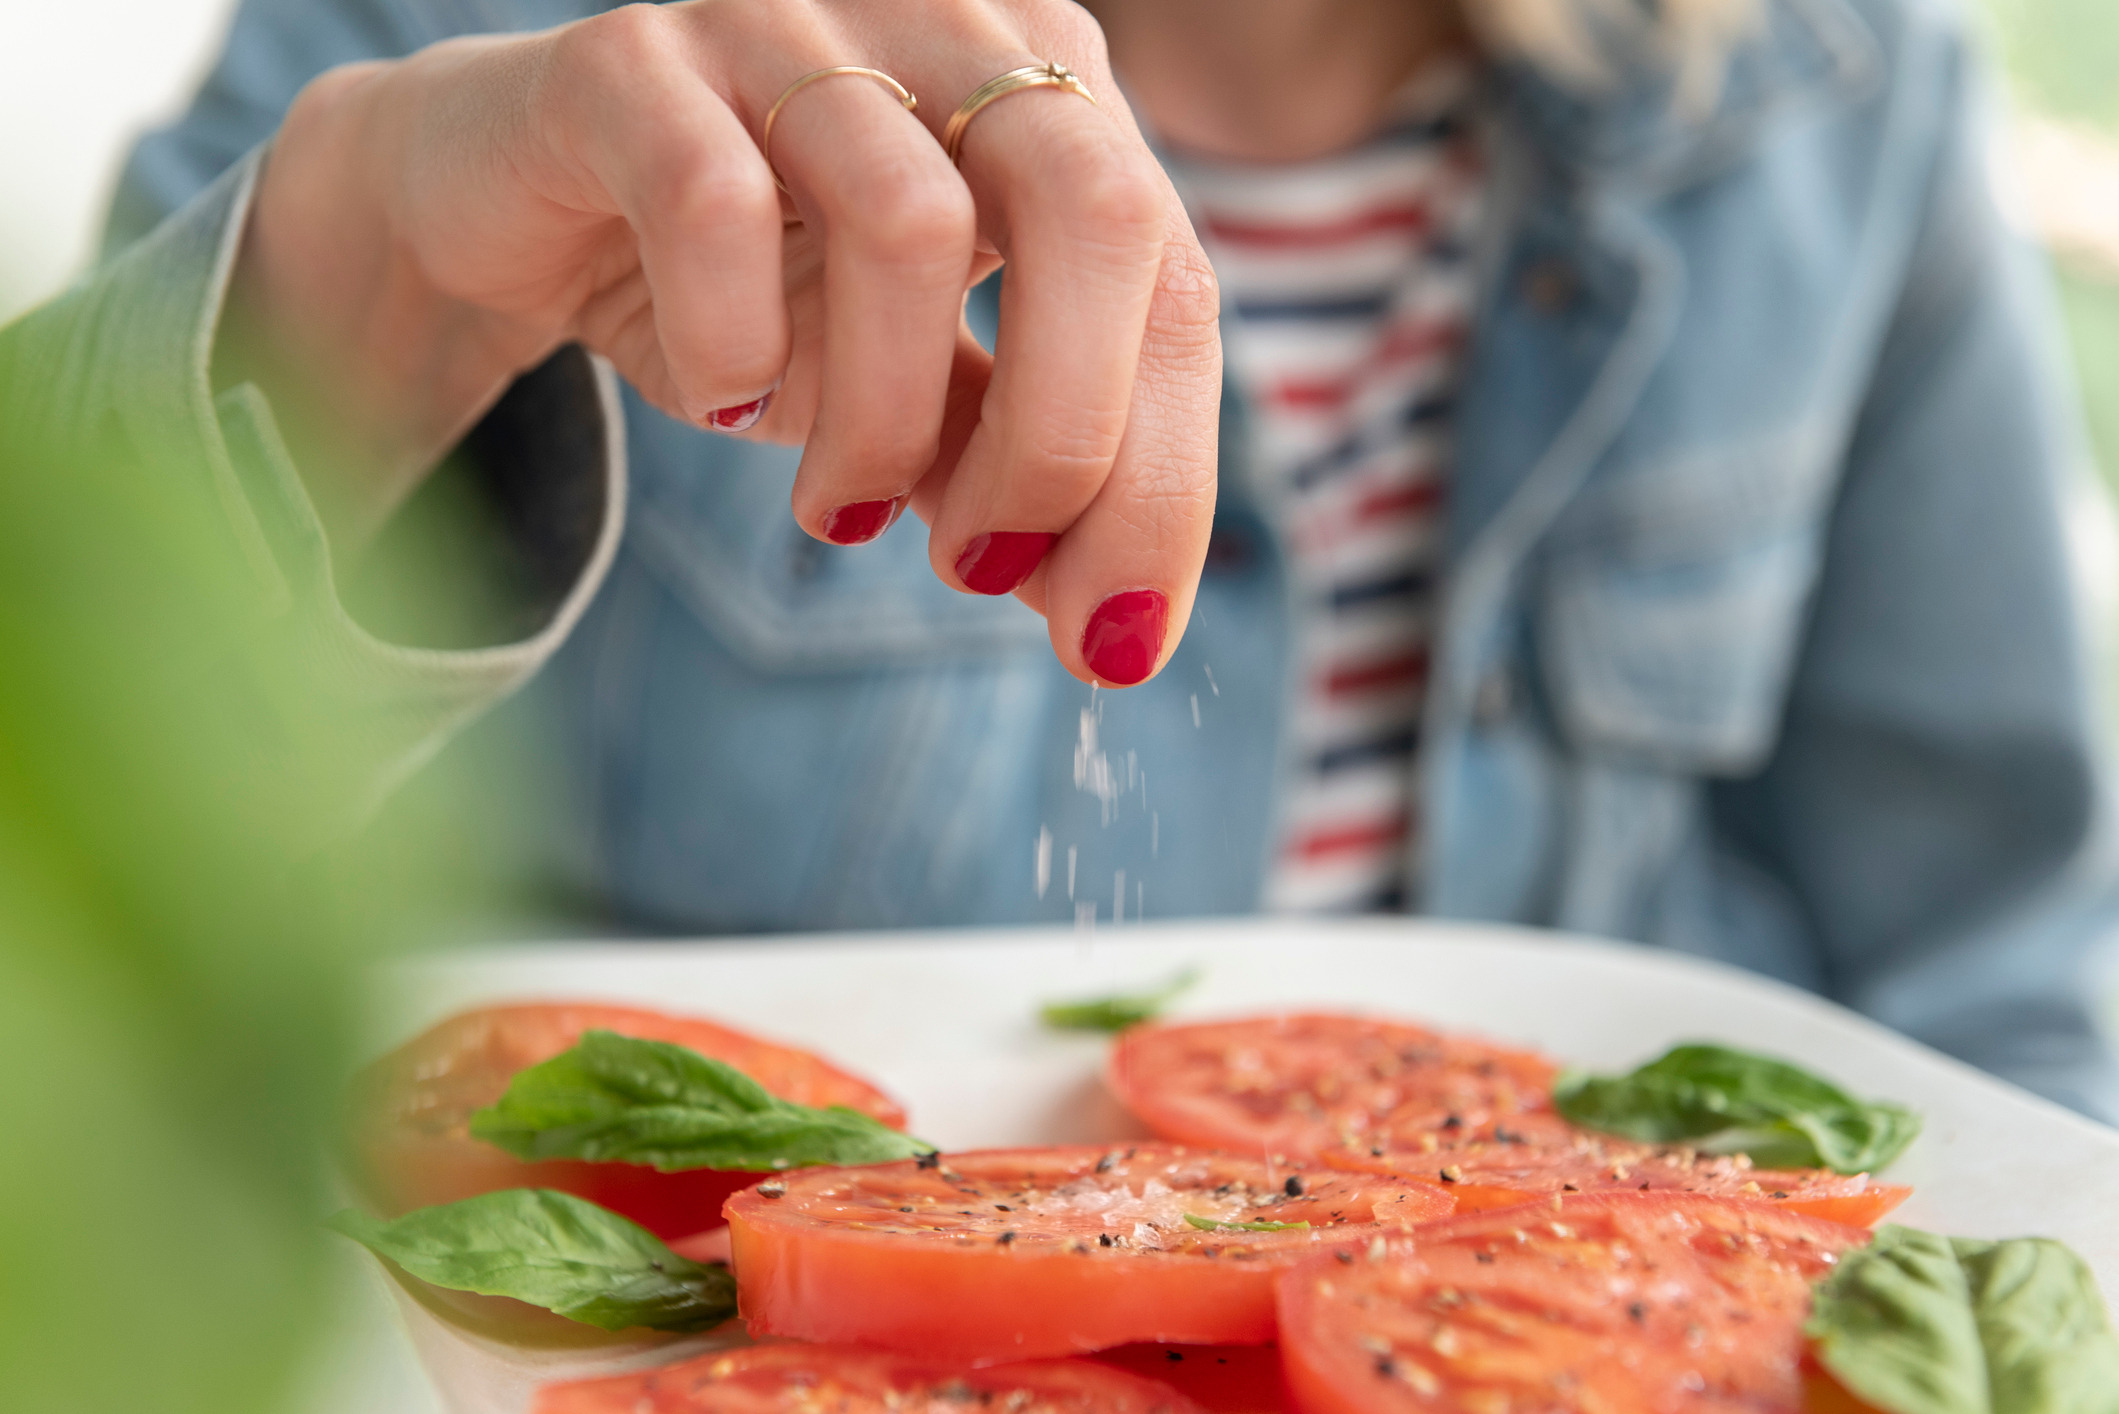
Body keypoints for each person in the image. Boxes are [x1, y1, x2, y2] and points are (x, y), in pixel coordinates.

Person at [16, 0, 2117, 1121]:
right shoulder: (510, 30)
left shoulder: (1845, 93)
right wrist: (378, 269)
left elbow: (1998, 967)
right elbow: (76, 863)